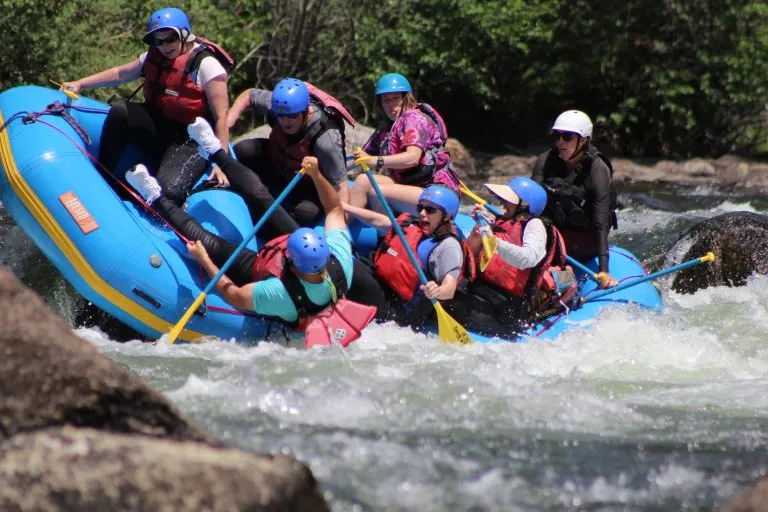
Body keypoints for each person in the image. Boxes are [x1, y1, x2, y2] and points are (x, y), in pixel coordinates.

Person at [126, 118, 375, 346]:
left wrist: (204, 260)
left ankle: (154, 195)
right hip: (300, 272)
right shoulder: (340, 259)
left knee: (205, 241)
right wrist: (317, 174)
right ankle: (214, 151)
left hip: (267, 273)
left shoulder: (279, 294)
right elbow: (334, 209)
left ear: (294, 264)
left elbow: (233, 294)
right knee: (261, 197)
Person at [61, 7, 232, 206]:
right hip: (159, 127)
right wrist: (81, 83)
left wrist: (222, 162)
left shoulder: (206, 65)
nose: (165, 46)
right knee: (121, 111)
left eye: (170, 39)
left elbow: (222, 116)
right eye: (158, 41)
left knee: (169, 192)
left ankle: (150, 201)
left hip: (191, 140)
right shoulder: (153, 57)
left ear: (184, 34)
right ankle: (104, 174)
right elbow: (120, 74)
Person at [223, 78, 353, 239]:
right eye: (281, 115)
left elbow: (340, 187)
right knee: (244, 149)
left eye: (292, 116)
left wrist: (342, 227)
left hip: (307, 184)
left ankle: (271, 237)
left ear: (307, 112)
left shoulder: (325, 139)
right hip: (277, 162)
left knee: (306, 213)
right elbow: (248, 95)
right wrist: (230, 119)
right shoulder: (279, 104)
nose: (285, 121)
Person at [451, 177, 571, 337]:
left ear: (524, 205)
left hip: (508, 306)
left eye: (508, 200)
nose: (502, 202)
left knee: (451, 303)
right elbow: (468, 258)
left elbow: (527, 259)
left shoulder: (535, 226)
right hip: (481, 289)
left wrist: (494, 242)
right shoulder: (501, 221)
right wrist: (479, 228)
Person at [344, 186, 473, 329]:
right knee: (344, 259)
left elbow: (450, 288)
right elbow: (380, 221)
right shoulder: (411, 226)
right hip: (384, 287)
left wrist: (437, 291)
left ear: (447, 216)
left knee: (349, 268)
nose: (423, 213)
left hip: (400, 310)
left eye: (430, 210)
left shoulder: (448, 246)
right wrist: (345, 208)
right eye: (420, 208)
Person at [349, 73, 460, 215]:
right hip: (410, 187)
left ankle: (386, 234)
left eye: (396, 98)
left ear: (405, 98)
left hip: (439, 193)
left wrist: (375, 161)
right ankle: (342, 226)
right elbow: (360, 158)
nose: (391, 105)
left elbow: (412, 158)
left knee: (377, 192)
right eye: (386, 100)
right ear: (380, 103)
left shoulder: (414, 118)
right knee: (363, 181)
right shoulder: (386, 128)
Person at [531, 110, 619, 288]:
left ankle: (566, 286)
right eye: (557, 136)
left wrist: (604, 270)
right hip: (556, 230)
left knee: (549, 244)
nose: (560, 142)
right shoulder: (547, 159)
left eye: (567, 137)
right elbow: (530, 200)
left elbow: (601, 223)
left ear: (583, 140)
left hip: (586, 238)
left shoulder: (597, 170)